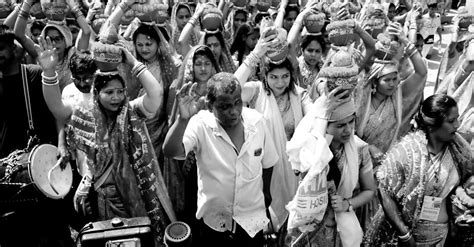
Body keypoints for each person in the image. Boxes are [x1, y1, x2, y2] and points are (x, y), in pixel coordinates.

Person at [39, 35, 175, 245]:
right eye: (109, 92)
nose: (116, 97)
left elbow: (155, 93)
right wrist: (49, 72)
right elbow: (57, 108)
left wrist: (131, 61)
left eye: (120, 91)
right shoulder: (85, 117)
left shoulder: (132, 112)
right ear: (97, 93)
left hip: (139, 195)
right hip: (105, 199)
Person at [163, 72, 278, 246]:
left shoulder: (257, 122)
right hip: (214, 222)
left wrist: (266, 194)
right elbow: (171, 151)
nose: (233, 111)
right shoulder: (199, 124)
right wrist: (182, 119)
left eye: (237, 102)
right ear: (210, 106)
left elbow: (268, 162)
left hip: (252, 219)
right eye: (224, 106)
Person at [366, 94, 473, 246]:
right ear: (432, 124)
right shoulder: (406, 152)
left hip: (442, 235)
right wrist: (405, 235)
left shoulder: (460, 151)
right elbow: (384, 192)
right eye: (451, 121)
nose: (457, 125)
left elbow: (467, 181)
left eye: (457, 119)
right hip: (407, 238)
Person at [0, 25, 71, 247]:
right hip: (8, 172)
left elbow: (57, 112)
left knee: (54, 235)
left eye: (0, 49)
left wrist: (62, 144)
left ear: (13, 48)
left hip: (43, 166)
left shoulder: (35, 74)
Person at [285, 94, 376, 247]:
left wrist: (347, 204)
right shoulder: (311, 149)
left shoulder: (360, 149)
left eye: (351, 122)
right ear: (325, 125)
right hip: (310, 222)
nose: (348, 130)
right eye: (340, 125)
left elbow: (369, 190)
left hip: (342, 224)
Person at [14, 0, 91, 91]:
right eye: (49, 39)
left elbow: (86, 31)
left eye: (57, 39)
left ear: (65, 40)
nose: (53, 44)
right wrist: (28, 2)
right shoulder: (40, 54)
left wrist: (71, 4)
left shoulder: (74, 55)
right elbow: (19, 34)